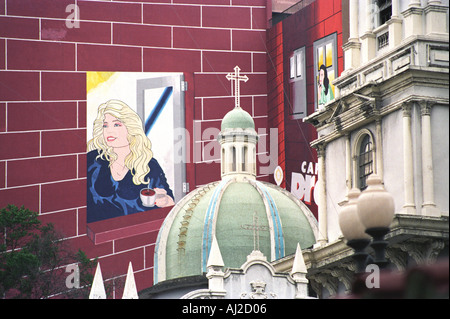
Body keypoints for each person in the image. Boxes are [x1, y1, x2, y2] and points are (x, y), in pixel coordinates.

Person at [86, 99, 174, 223]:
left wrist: (165, 201)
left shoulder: (149, 165)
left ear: (131, 128)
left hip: (137, 234)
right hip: (98, 236)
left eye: (116, 124)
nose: (109, 130)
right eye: (105, 125)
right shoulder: (93, 160)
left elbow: (171, 205)